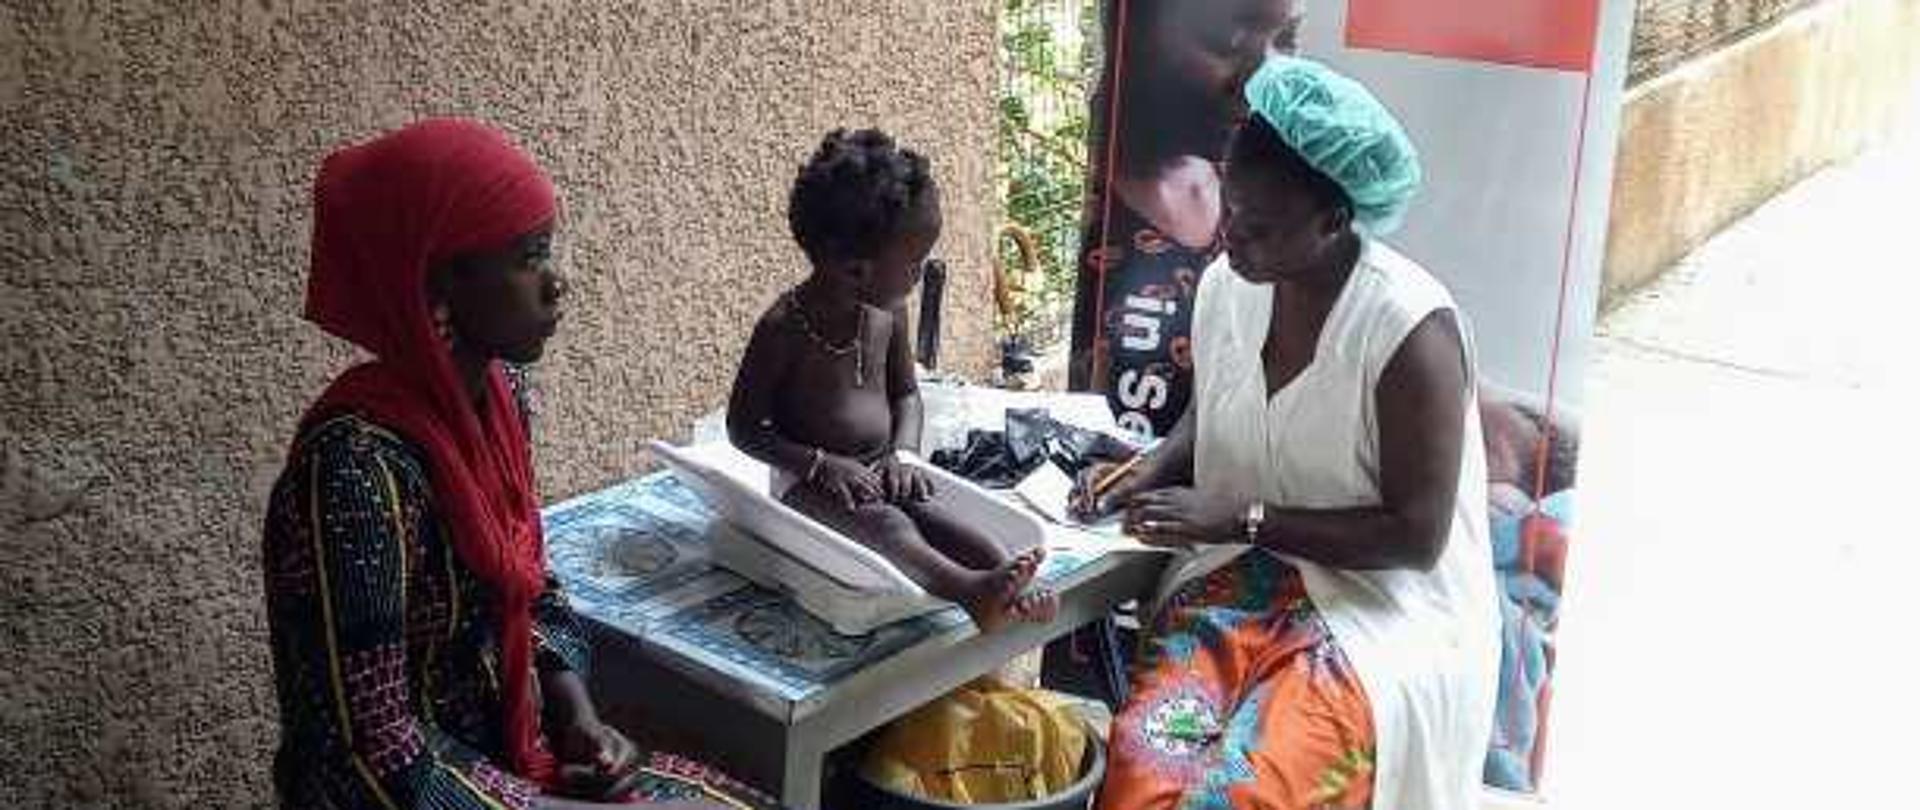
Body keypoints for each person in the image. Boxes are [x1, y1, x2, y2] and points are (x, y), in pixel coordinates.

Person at [261, 119, 758, 810]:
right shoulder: (354, 474)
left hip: (513, 755)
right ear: (442, 278)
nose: (556, 283)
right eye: (528, 258)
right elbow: (368, 754)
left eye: (546, 250)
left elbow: (529, 586)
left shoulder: (497, 400)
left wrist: (577, 716)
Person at [1076, 57, 1501, 810]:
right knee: (1143, 772)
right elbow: (1217, 405)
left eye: (1258, 227)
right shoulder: (1228, 286)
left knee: (1242, 795)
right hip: (1240, 581)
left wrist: (1241, 517)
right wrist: (1152, 466)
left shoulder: (1406, 330)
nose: (1228, 237)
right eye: (1230, 206)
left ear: (1334, 222)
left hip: (1379, 614)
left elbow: (1417, 537)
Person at [728, 129, 1059, 632]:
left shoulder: (888, 311)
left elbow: (907, 395)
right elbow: (744, 428)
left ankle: (1007, 577)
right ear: (856, 271)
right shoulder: (783, 328)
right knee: (888, 524)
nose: (920, 275)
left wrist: (903, 454)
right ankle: (971, 592)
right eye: (915, 263)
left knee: (938, 514)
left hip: (882, 467)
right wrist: (820, 464)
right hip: (809, 486)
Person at [1070, 0, 1303, 439]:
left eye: (1286, 40)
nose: (1265, 80)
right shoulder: (1094, 201)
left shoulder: (1252, 191)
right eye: (1226, 42)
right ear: (1140, 36)